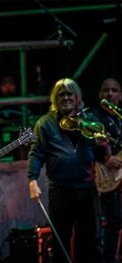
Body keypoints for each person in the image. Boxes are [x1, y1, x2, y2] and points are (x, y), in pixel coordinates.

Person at [27, 78, 110, 263]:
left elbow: (102, 157)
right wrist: (32, 180)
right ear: (55, 99)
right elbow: (36, 153)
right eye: (61, 94)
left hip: (87, 190)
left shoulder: (90, 120)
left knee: (90, 243)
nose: (66, 98)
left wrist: (103, 145)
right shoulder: (45, 123)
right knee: (60, 244)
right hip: (61, 191)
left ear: (77, 96)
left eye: (69, 93)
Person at [91, 78, 122, 263]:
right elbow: (87, 143)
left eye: (114, 90)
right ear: (99, 95)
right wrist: (105, 157)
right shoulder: (94, 117)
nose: (110, 94)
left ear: (120, 95)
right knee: (98, 222)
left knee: (117, 220)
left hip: (118, 178)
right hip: (101, 176)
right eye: (106, 90)